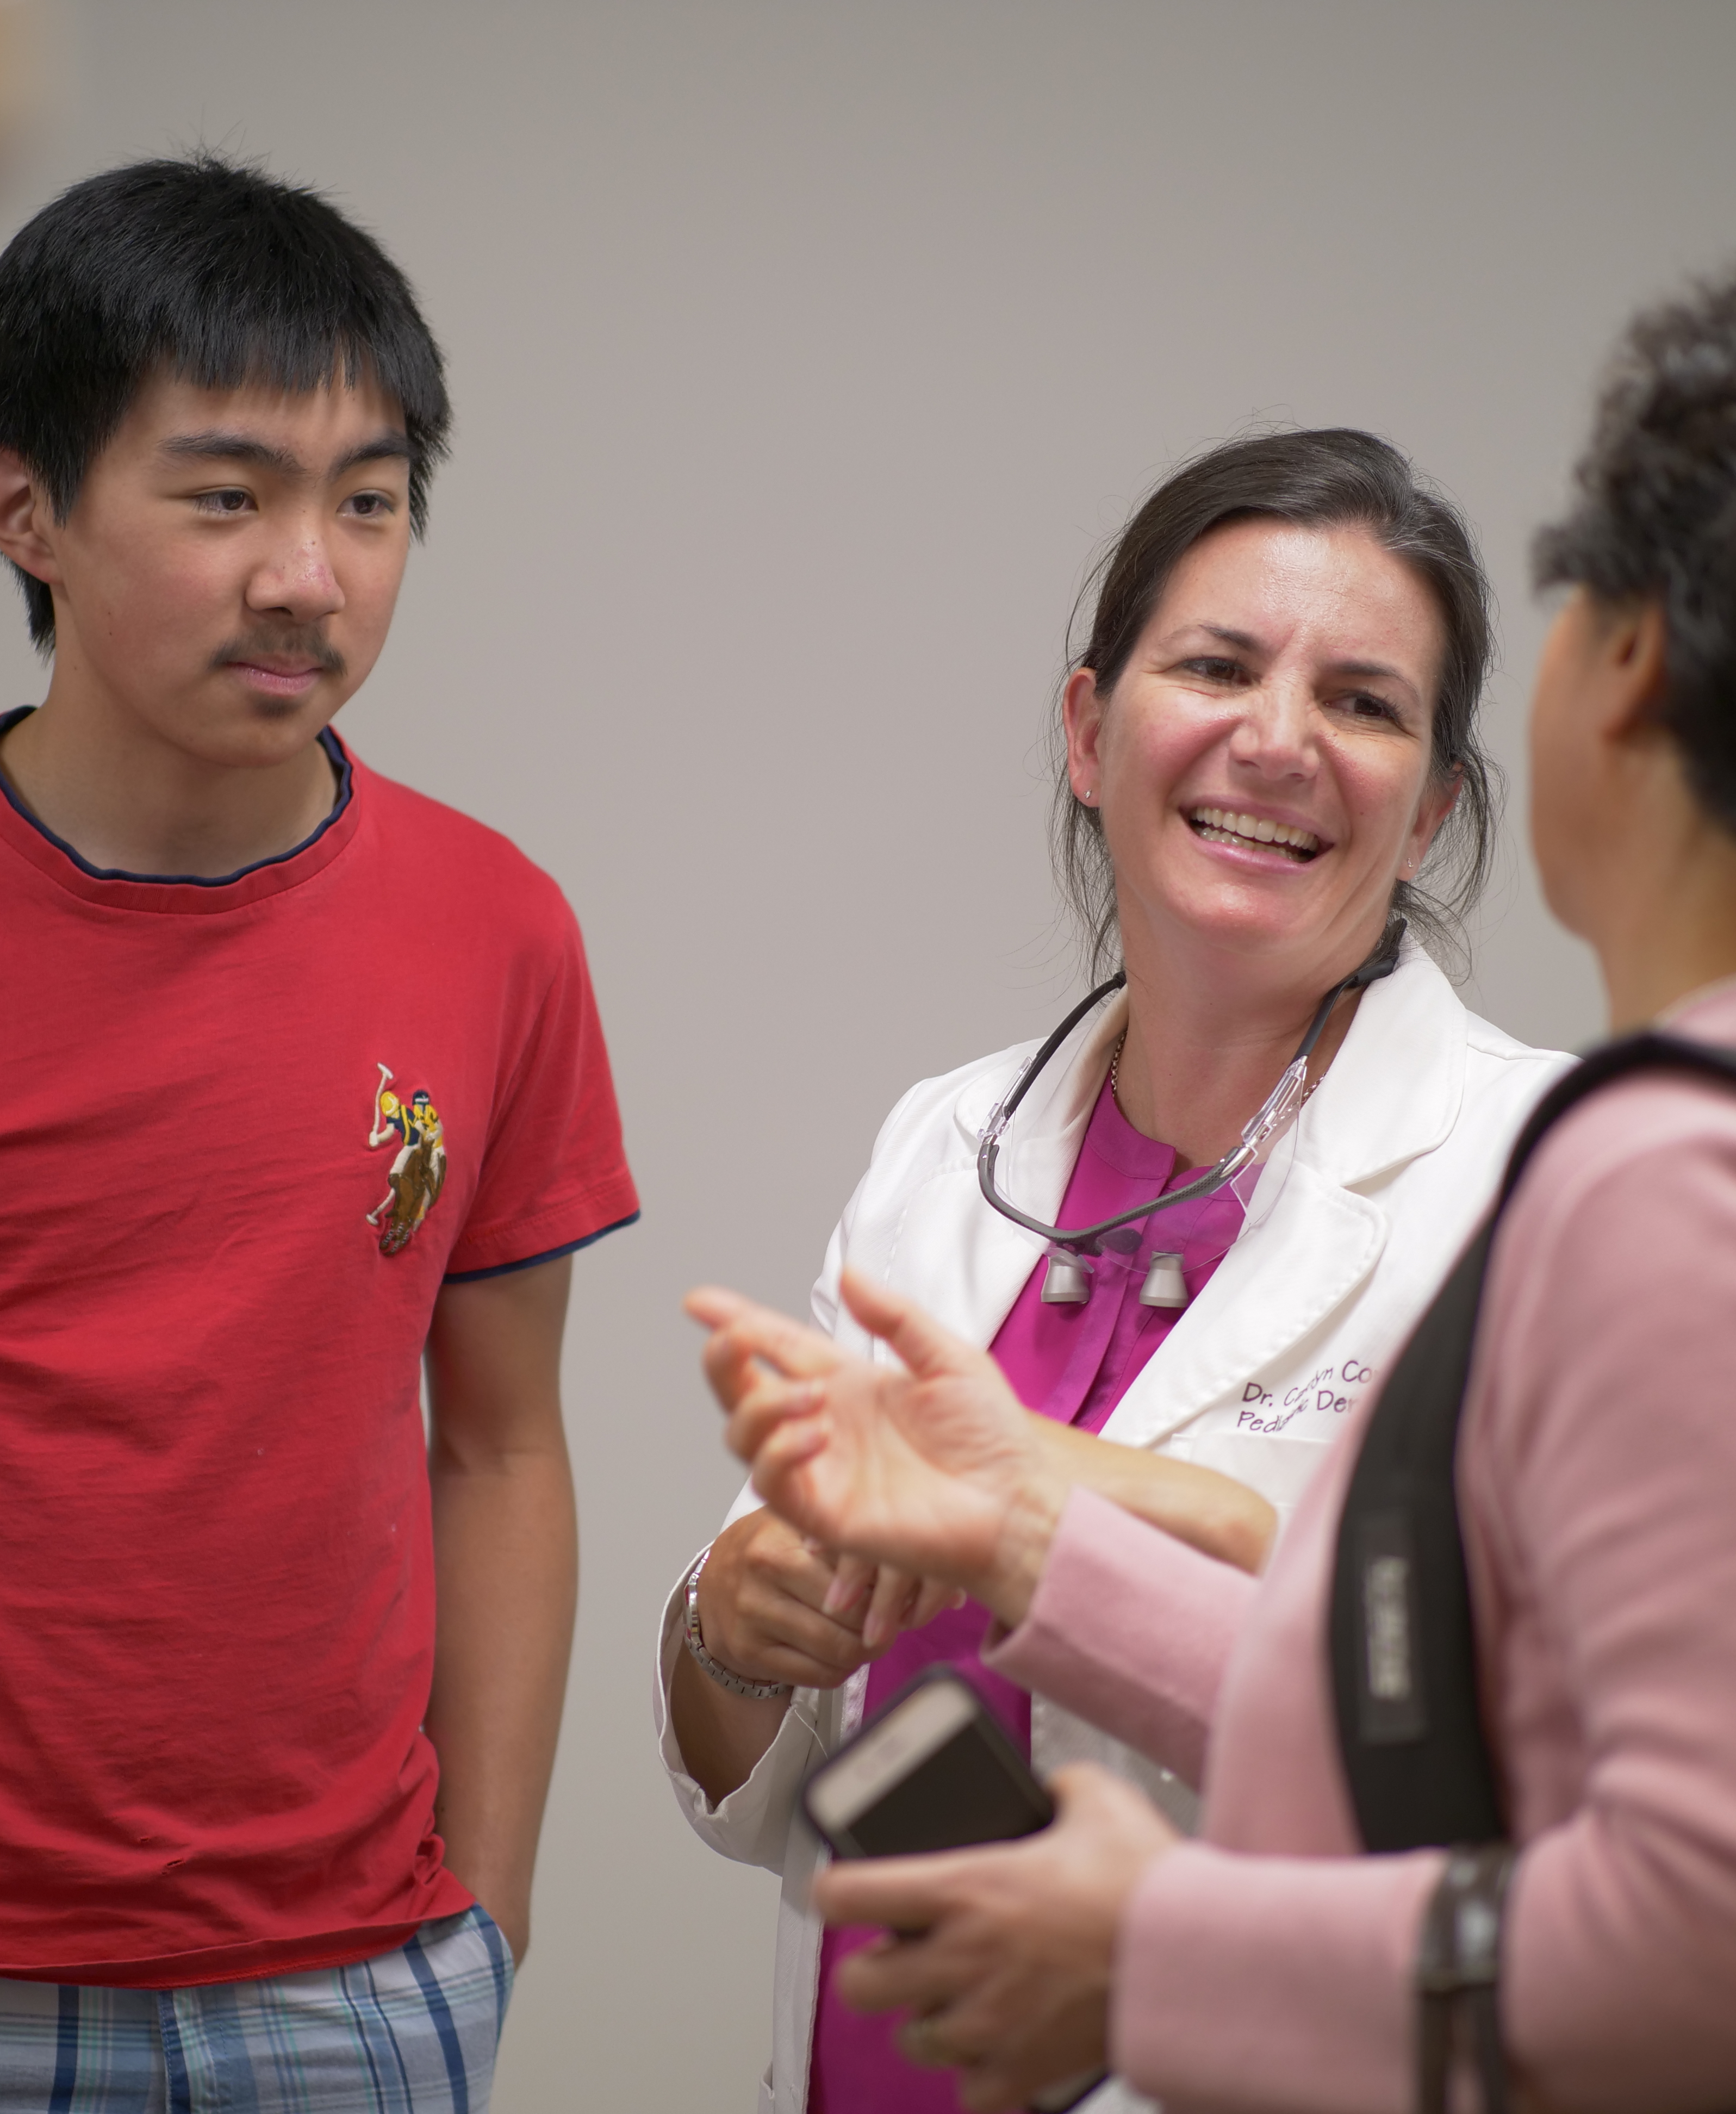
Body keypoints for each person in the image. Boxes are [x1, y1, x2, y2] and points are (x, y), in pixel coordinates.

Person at [690, 231, 1736, 2113]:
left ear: (1631, 667)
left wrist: (1156, 1957)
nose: (1285, 739)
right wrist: (1026, 1535)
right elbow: (1491, 1751)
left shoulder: (1691, 1189)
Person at [654, 430, 1572, 2113]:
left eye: (1365, 703)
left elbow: (1523, 1747)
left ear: (1433, 803)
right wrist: (733, 1627)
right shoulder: (950, 1144)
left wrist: (1052, 1504)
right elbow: (771, 1781)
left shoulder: (1540, 1176)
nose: (1278, 741)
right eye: (1217, 666)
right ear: (1092, 732)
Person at [0, 157, 638, 2112]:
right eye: (227, 497)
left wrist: (491, 1916)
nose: (311, 572)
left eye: (368, 502)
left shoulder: (496, 925)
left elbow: (507, 1438)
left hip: (360, 1986)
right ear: (18, 503)